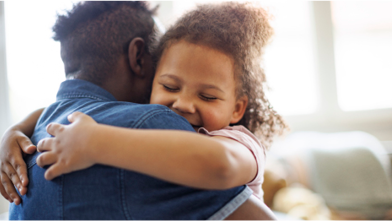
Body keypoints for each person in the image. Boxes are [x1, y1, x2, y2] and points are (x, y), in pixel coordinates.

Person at [0, 0, 278, 220]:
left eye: (207, 95)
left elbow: (221, 164)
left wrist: (95, 142)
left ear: (238, 108)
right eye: (169, 86)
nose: (182, 104)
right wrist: (13, 130)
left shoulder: (238, 142)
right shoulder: (144, 123)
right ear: (140, 59)